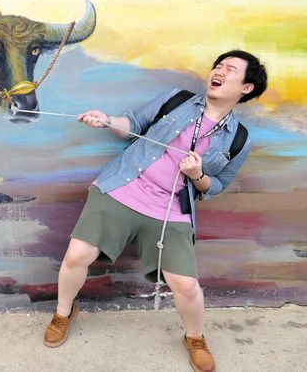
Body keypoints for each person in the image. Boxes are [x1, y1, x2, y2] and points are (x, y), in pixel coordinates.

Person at [43, 50, 268, 372]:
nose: (219, 71)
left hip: (170, 209)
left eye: (230, 69)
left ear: (246, 88)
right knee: (77, 255)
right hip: (124, 187)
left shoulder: (239, 139)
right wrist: (107, 120)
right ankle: (63, 313)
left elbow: (218, 185)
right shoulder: (177, 100)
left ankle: (195, 337)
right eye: (218, 65)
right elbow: (132, 124)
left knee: (186, 285)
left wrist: (197, 176)